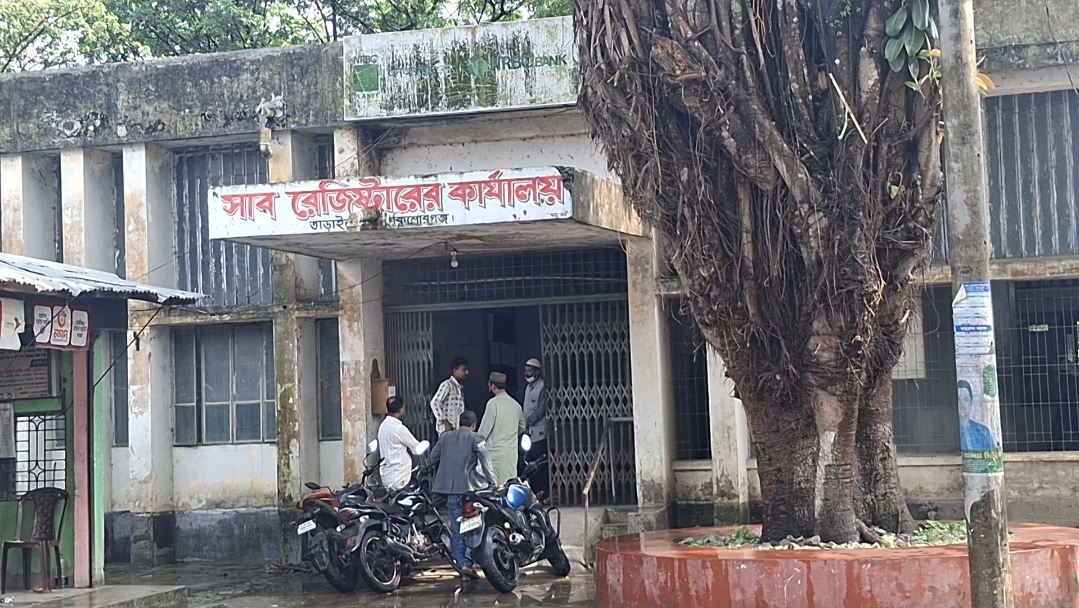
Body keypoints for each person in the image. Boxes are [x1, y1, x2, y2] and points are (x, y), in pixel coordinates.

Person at [429, 410, 497, 579]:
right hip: (469, 491)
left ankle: (463, 565)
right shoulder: (476, 438)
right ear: (474, 425)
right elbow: (485, 461)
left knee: (457, 528)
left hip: (451, 492)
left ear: (459, 423)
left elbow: (432, 457)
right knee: (475, 525)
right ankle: (469, 559)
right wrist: (493, 481)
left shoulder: (445, 438)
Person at [478, 371, 526, 485]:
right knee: (509, 486)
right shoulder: (516, 405)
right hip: (511, 455)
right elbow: (522, 426)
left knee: (496, 488)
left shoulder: (492, 404)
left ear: (493, 386)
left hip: (495, 456)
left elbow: (483, 432)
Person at [376, 396, 423, 492]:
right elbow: (417, 448)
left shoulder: (383, 426)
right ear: (400, 410)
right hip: (400, 476)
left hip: (386, 475)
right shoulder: (399, 429)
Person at [521, 358, 550, 496]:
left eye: (529, 370)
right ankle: (534, 491)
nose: (526, 373)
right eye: (526, 370)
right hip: (529, 433)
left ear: (537, 372)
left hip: (539, 432)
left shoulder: (542, 387)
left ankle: (543, 491)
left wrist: (528, 422)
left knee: (540, 465)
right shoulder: (528, 387)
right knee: (530, 464)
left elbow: (541, 409)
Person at [431, 357, 469, 436]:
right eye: (464, 370)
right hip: (447, 430)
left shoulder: (460, 387)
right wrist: (445, 422)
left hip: (457, 430)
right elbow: (434, 403)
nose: (467, 372)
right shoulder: (447, 385)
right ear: (455, 371)